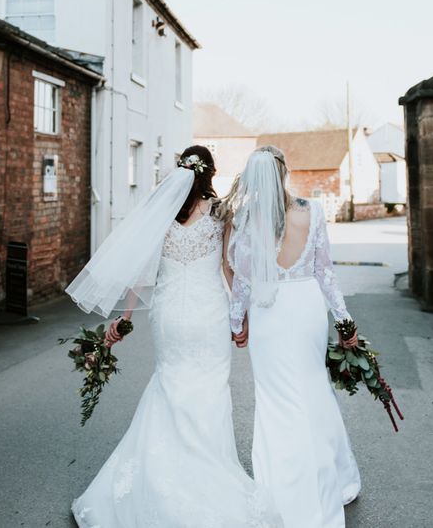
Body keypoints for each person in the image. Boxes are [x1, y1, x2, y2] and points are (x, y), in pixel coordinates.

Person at [67, 145, 281, 528]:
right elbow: (228, 268)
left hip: (168, 317)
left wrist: (125, 318)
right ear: (209, 175)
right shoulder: (220, 213)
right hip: (208, 314)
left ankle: (157, 478)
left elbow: (142, 273)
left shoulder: (162, 213)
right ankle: (206, 472)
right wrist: (240, 317)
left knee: (168, 386)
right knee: (210, 392)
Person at [221, 145, 361, 528]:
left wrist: (237, 325)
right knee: (314, 390)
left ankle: (284, 487)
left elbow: (243, 280)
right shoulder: (311, 210)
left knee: (276, 399)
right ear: (283, 172)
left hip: (270, 314)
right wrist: (344, 321)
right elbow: (325, 271)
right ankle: (333, 475)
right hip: (307, 308)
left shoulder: (247, 218)